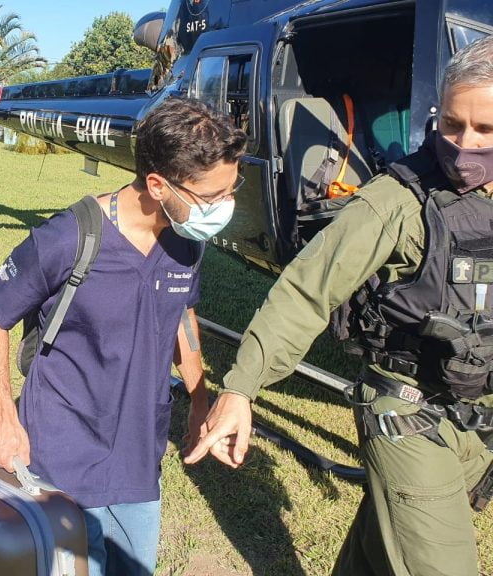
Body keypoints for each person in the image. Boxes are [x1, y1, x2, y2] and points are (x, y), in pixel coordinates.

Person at [185, 36, 493, 576]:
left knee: (378, 551)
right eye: (451, 125)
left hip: (475, 418)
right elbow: (307, 289)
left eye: (486, 130)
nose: (465, 144)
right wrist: (240, 387)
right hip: (410, 416)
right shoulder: (395, 202)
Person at [0, 98, 247, 576]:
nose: (226, 206)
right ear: (159, 186)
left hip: (140, 461)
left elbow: (182, 315)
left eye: (232, 189)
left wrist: (200, 402)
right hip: (60, 459)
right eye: (213, 196)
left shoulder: (188, 240)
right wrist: (3, 418)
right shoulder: (68, 238)